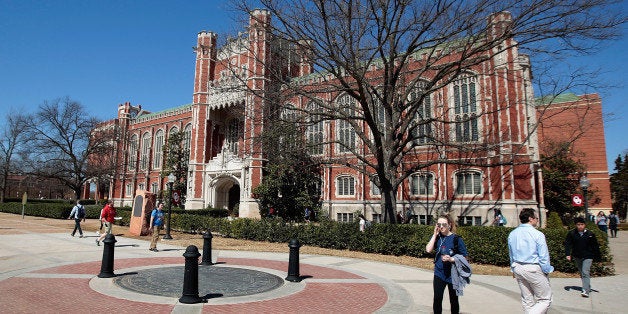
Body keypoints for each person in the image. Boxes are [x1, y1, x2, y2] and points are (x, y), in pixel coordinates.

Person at [508, 208, 554, 313]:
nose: (537, 220)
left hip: (517, 267)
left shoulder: (512, 234)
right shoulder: (537, 234)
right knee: (545, 299)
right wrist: (546, 270)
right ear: (530, 219)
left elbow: (511, 254)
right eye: (536, 218)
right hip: (533, 267)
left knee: (527, 299)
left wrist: (512, 269)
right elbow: (543, 256)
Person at [425, 214, 468, 314]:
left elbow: (464, 257)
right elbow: (428, 249)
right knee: (437, 299)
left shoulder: (457, 239)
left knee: (453, 300)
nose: (441, 227)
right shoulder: (438, 237)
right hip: (439, 273)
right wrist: (434, 235)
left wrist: (452, 259)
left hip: (453, 275)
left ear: (449, 225)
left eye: (444, 224)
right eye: (439, 224)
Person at [564, 217, 601, 298]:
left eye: (582, 224)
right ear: (576, 225)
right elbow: (568, 244)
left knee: (585, 272)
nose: (580, 226)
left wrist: (598, 258)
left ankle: (586, 290)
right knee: (582, 272)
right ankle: (587, 285)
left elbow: (595, 246)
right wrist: (568, 254)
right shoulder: (572, 233)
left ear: (585, 225)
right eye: (578, 224)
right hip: (577, 256)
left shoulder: (590, 234)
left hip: (588, 256)